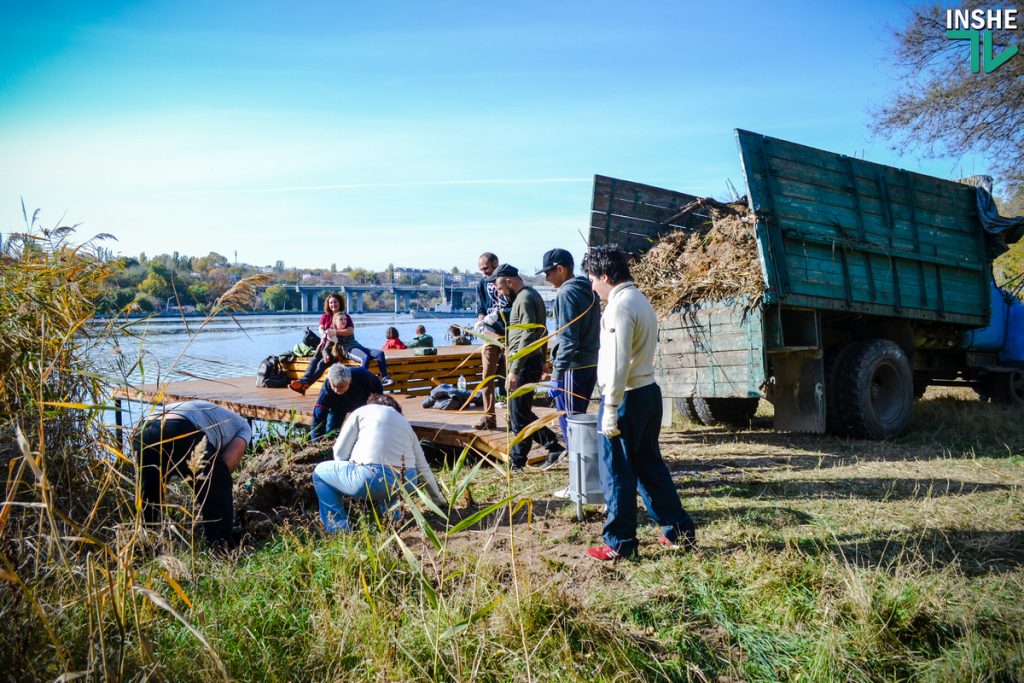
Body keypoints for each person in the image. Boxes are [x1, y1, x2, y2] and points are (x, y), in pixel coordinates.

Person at [582, 245, 697, 561]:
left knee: (617, 471)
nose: (592, 287)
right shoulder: (640, 300)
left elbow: (619, 361)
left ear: (605, 276)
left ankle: (620, 543)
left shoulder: (618, 307)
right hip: (647, 392)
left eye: (593, 279)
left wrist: (608, 408)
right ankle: (679, 532)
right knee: (649, 467)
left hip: (625, 396)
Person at [312, 394, 447, 532]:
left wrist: (344, 482)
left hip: (372, 478)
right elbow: (423, 468)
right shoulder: (404, 423)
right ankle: (394, 519)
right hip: (407, 481)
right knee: (390, 480)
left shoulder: (362, 411)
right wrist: (439, 501)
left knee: (319, 473)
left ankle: (339, 528)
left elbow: (340, 451)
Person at [133, 400, 251, 547]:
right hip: (179, 426)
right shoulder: (244, 427)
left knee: (148, 495)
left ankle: (141, 547)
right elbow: (227, 465)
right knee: (218, 485)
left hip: (144, 428)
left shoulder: (217, 415)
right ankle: (222, 548)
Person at [490, 263, 564, 470]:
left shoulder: (524, 299)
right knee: (520, 413)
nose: (500, 293)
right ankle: (542, 450)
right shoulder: (527, 296)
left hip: (523, 364)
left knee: (517, 415)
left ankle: (523, 459)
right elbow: (540, 331)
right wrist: (543, 360)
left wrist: (514, 369)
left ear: (510, 281)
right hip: (528, 361)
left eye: (500, 288)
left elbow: (530, 333)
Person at [535, 248, 601, 471]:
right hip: (590, 363)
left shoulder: (566, 293)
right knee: (579, 421)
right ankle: (585, 475)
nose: (546, 278)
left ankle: (580, 477)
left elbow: (568, 340)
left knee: (572, 424)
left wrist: (557, 373)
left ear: (560, 269)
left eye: (548, 272)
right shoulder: (589, 289)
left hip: (573, 366)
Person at [473, 252, 512, 429]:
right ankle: (489, 417)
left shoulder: (508, 278)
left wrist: (499, 314)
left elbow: (515, 306)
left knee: (511, 376)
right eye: (481, 269)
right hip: (490, 333)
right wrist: (481, 319)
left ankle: (513, 416)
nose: (484, 272)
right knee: (486, 375)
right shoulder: (482, 283)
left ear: (495, 263)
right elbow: (481, 306)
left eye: (486, 268)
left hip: (510, 333)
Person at [290, 293, 346, 394]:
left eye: (335, 302)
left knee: (321, 364)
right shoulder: (325, 316)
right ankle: (303, 382)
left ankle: (304, 385)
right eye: (331, 303)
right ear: (328, 304)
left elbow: (348, 331)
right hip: (324, 346)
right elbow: (321, 327)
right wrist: (322, 336)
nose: (333, 304)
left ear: (340, 303)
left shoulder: (343, 317)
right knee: (314, 360)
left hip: (336, 349)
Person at [310, 364, 383, 440]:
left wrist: (375, 405)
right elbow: (318, 418)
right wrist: (316, 442)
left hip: (362, 400)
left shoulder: (363, 375)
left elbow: (378, 389)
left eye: (341, 387)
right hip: (337, 406)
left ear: (350, 381)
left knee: (367, 427)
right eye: (334, 386)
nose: (337, 390)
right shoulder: (326, 391)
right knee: (331, 431)